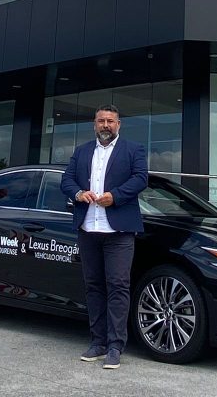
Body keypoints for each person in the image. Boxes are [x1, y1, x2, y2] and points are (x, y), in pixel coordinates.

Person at [60, 104, 147, 370]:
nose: (105, 125)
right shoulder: (83, 151)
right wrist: (78, 194)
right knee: (94, 286)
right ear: (94, 124)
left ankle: (115, 346)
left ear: (118, 124)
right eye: (101, 121)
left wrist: (116, 196)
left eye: (110, 121)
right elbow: (66, 180)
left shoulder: (133, 150)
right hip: (88, 228)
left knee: (118, 286)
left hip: (118, 231)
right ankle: (97, 342)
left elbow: (141, 178)